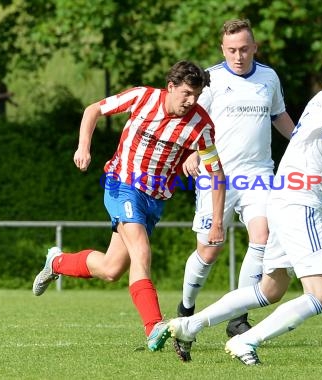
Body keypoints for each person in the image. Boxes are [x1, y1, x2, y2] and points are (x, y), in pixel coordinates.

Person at [166, 47, 322, 365]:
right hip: (300, 204)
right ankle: (246, 341)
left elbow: (315, 156)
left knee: (270, 289)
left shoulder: (320, 100)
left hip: (281, 198)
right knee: (321, 295)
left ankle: (189, 325)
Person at [32, 60, 226, 352]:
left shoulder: (200, 125)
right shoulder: (142, 97)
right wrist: (84, 146)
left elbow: (217, 174)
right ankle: (154, 328)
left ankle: (56, 262)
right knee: (141, 251)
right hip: (121, 184)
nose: (191, 101)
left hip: (155, 199)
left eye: (196, 95)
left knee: (112, 269)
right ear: (170, 87)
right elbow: (93, 109)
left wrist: (218, 222)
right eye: (186, 93)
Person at [176, 17, 295, 348]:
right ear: (222, 50)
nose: (238, 56)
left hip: (258, 174)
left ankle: (238, 319)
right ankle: (185, 308)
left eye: (244, 49)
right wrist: (191, 153)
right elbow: (190, 119)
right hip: (217, 176)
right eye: (231, 50)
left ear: (254, 47)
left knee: (262, 236)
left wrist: (301, 138)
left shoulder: (269, 77)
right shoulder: (211, 79)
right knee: (210, 250)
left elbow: (279, 116)